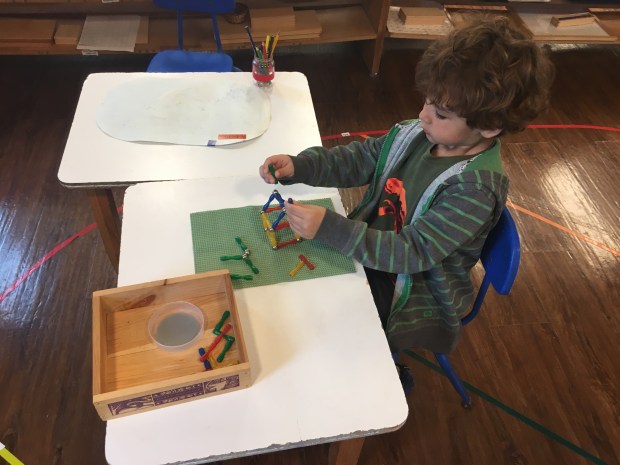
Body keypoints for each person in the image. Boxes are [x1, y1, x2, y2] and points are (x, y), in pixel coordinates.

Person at [258, 17, 555, 375]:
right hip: (374, 249)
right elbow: (360, 159)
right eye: (427, 101)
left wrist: (332, 229)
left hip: (414, 289)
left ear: (489, 126)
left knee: (324, 334)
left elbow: (412, 254)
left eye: (440, 113)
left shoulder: (474, 190)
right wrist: (301, 166)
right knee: (293, 299)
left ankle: (387, 373)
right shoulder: (418, 133)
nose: (422, 115)